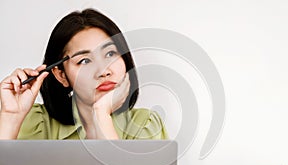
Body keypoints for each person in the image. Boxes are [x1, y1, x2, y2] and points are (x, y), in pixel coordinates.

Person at [0, 8, 168, 140]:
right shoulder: (35, 123)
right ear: (61, 75)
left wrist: (101, 115)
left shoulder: (144, 125)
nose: (104, 71)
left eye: (110, 54)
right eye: (85, 61)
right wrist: (10, 117)